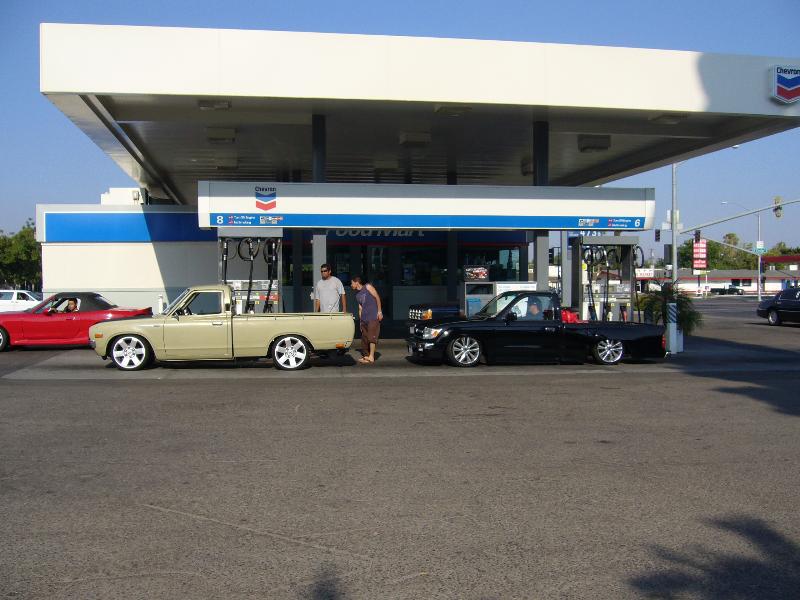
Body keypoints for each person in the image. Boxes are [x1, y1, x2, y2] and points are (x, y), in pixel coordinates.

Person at [351, 275, 382, 364]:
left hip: (373, 316)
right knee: (364, 338)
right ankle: (366, 356)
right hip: (364, 319)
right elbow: (360, 308)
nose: (351, 285)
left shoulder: (367, 287)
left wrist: (379, 311)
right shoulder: (357, 295)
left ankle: (371, 356)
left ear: (357, 282)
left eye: (352, 283)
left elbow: (377, 297)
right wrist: (360, 322)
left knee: (372, 337)